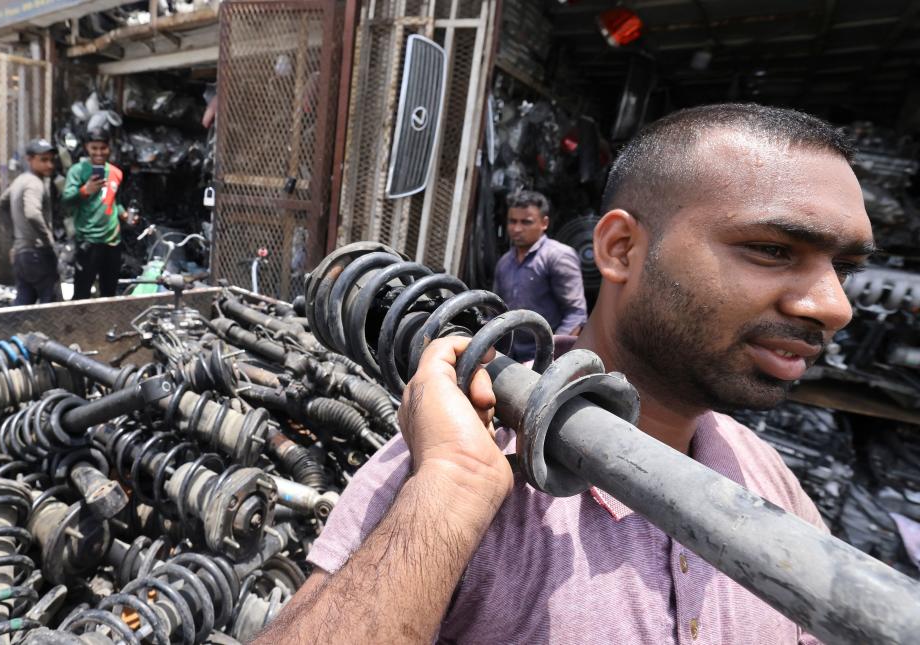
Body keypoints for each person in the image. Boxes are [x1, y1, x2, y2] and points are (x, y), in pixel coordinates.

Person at [255, 104, 874, 644]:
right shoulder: (447, 470)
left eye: (843, 267)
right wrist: (453, 488)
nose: (834, 307)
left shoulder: (770, 482)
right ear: (621, 250)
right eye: (773, 250)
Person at [493, 190, 587, 361]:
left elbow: (576, 314)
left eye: (526, 222)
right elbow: (496, 312)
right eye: (512, 221)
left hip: (543, 359)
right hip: (508, 356)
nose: (517, 229)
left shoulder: (558, 256)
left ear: (544, 223)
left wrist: (549, 357)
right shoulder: (504, 263)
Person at [62, 128, 131, 299]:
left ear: (109, 148)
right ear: (87, 147)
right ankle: (79, 326)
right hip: (88, 241)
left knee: (109, 293)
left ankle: (107, 325)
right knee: (82, 293)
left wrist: (124, 215)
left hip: (112, 241)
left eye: (103, 148)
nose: (99, 152)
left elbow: (115, 200)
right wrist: (86, 190)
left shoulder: (116, 173)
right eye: (94, 148)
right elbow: (66, 200)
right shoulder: (77, 171)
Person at [0, 138, 61, 305]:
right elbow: (32, 213)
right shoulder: (34, 183)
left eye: (51, 160)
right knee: (50, 305)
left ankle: (15, 332)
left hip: (21, 254)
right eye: (43, 160)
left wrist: (15, 237)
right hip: (37, 253)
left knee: (23, 305)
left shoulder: (20, 180)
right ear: (29, 159)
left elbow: (0, 206)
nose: (50, 165)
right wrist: (47, 240)